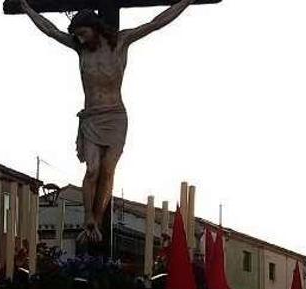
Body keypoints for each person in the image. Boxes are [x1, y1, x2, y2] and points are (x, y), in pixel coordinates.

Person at [18, 0, 197, 243]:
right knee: (92, 169)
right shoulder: (79, 48)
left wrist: (185, 2)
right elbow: (50, 30)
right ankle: (88, 218)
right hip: (92, 116)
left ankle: (98, 219)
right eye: (77, 36)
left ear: (95, 28)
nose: (80, 39)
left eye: (83, 33)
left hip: (115, 116)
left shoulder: (121, 42)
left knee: (108, 170)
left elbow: (156, 23)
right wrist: (28, 9)